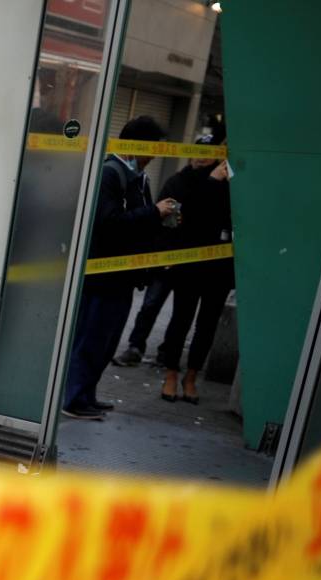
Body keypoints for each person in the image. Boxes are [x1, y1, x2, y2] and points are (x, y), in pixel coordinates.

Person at [61, 116, 181, 421]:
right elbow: (108, 223)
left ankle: (87, 394)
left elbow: (139, 223)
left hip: (123, 276)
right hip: (103, 276)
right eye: (154, 147)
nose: (157, 154)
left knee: (107, 341)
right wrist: (153, 212)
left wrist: (160, 223)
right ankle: (73, 398)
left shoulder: (140, 178)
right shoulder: (110, 174)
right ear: (136, 144)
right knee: (92, 338)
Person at [153, 130, 233, 404]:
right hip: (187, 265)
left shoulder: (228, 183)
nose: (202, 158)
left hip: (218, 267)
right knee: (180, 319)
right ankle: (172, 373)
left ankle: (192, 376)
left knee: (207, 324)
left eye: (209, 153)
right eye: (199, 151)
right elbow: (180, 219)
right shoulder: (180, 181)